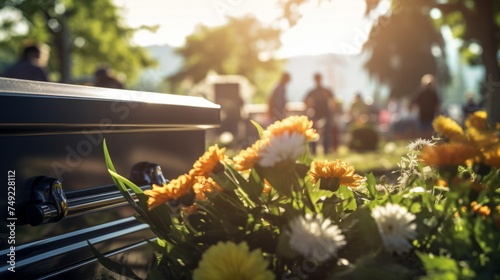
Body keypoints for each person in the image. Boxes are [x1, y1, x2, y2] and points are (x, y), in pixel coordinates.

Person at [303, 73, 335, 155]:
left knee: (326, 133)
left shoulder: (326, 91)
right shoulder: (312, 92)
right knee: (313, 132)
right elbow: (305, 101)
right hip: (315, 115)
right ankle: (313, 151)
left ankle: (326, 151)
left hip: (326, 114)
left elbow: (333, 101)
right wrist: (309, 108)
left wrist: (332, 108)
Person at [410, 74, 440, 138]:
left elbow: (413, 102)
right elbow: (437, 106)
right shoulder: (431, 93)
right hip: (424, 117)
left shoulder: (423, 93)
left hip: (427, 117)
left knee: (425, 134)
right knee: (426, 134)